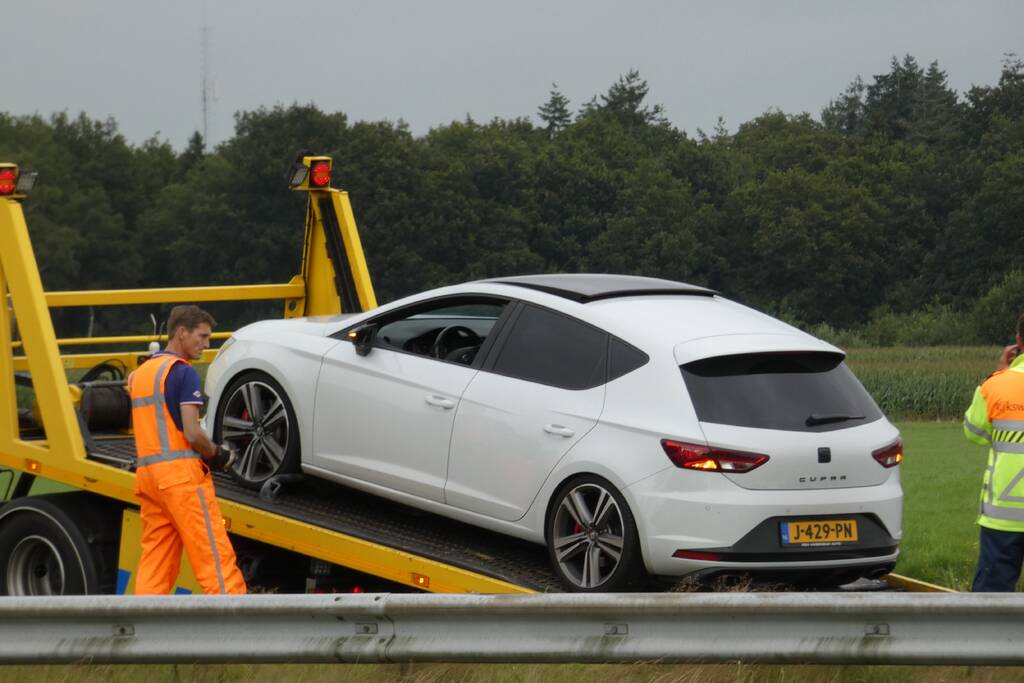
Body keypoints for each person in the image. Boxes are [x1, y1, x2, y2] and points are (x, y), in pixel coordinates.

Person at [128, 304, 246, 594]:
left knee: (156, 560)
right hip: (181, 480)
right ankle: (237, 624)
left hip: (149, 478)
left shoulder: (142, 373)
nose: (206, 345)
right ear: (181, 332)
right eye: (202, 336)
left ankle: (144, 627)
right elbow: (193, 432)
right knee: (213, 556)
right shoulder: (183, 373)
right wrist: (217, 453)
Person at [964, 313, 1024, 592]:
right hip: (1002, 517)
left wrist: (999, 372)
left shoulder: (996, 384)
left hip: (1003, 516)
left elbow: (974, 433)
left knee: (991, 600)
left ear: (1017, 342)